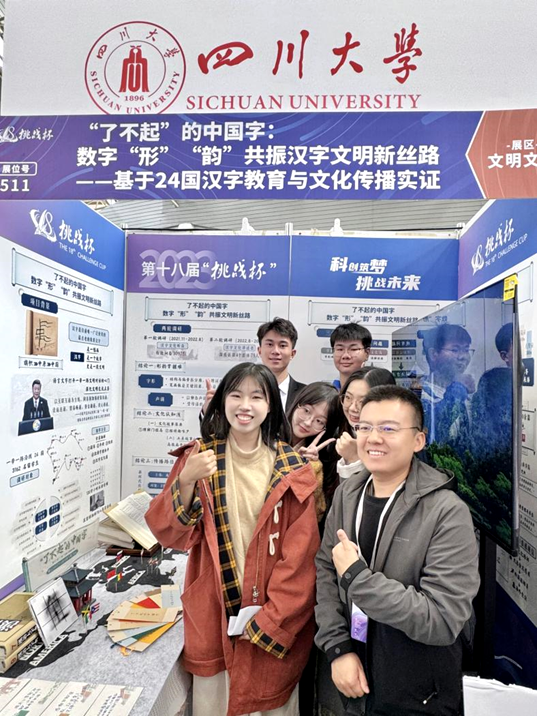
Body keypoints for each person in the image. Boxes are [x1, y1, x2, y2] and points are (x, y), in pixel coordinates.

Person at [146, 362, 320, 716]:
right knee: (214, 703)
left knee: (269, 701)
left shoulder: (291, 467)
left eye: (257, 397)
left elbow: (301, 559)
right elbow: (167, 532)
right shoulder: (200, 458)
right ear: (222, 401)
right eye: (236, 395)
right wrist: (186, 481)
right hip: (213, 613)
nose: (245, 405)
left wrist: (272, 619)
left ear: (270, 405)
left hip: (271, 616)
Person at [315, 385, 479, 716]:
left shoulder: (446, 512)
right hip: (352, 680)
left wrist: (358, 578)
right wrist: (338, 647)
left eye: (389, 428)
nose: (373, 438)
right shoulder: (348, 493)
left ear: (418, 440)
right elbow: (326, 570)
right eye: (364, 427)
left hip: (418, 694)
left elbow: (442, 619)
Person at [201, 318, 305, 415]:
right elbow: (225, 426)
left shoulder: (305, 395)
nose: (275, 351)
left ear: (292, 353)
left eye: (282, 345)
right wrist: (209, 412)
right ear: (259, 351)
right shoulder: (237, 390)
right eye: (270, 344)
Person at [286, 382, 342, 521]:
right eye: (306, 411)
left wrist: (309, 468)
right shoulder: (268, 436)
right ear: (297, 403)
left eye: (319, 421)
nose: (307, 422)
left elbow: (316, 513)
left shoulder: (323, 460)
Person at [419, 324, 474, 452]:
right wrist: (458, 389)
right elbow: (436, 433)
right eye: (455, 350)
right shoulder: (422, 395)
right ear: (433, 354)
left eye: (466, 350)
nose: (462, 356)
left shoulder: (467, 393)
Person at [335, 368, 396, 480]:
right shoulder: (336, 435)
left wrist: (353, 459)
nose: (352, 408)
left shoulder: (394, 442)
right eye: (348, 397)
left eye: (362, 401)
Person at [331, 323, 372, 390]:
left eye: (353, 349)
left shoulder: (375, 391)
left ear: (367, 353)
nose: (345, 356)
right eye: (340, 349)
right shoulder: (328, 393)